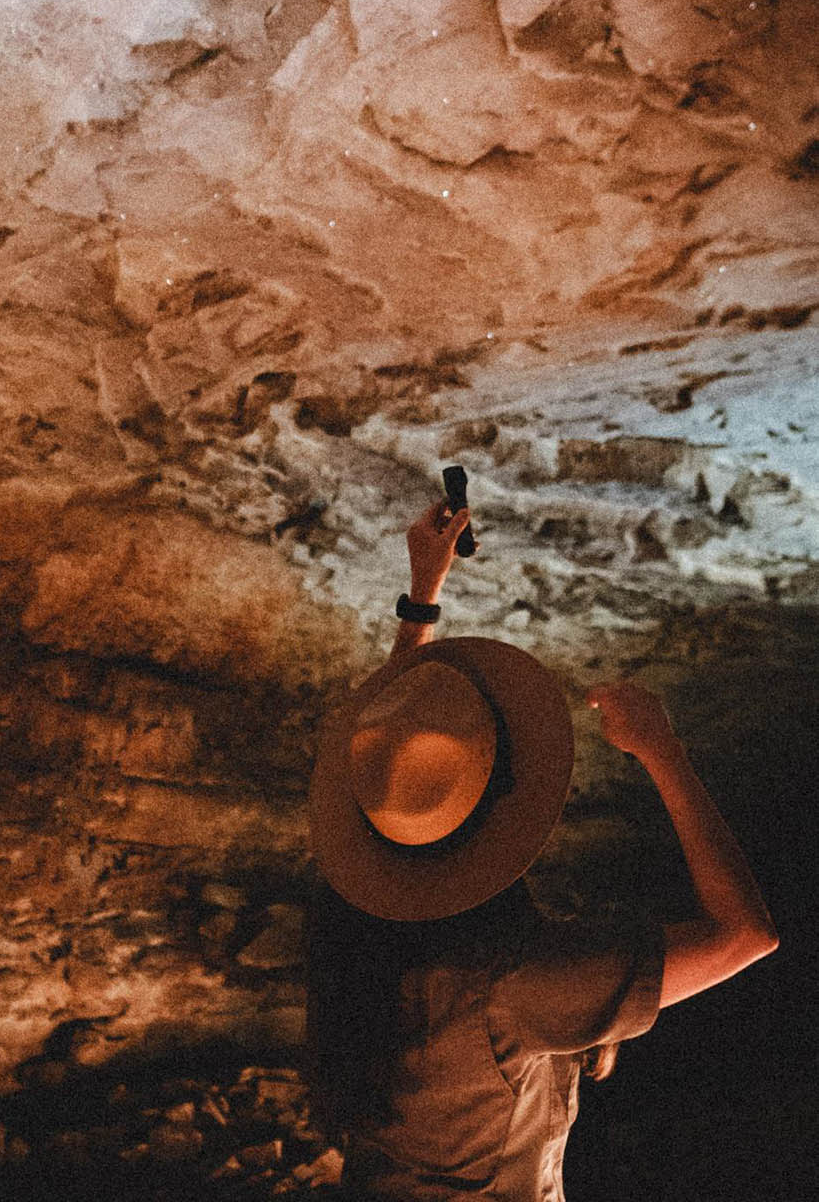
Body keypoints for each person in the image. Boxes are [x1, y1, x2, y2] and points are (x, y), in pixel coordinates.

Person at [306, 496, 778, 1199]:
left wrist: (422, 599)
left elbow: (396, 772)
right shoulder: (510, 987)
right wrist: (661, 751)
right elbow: (744, 935)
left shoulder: (352, 915)